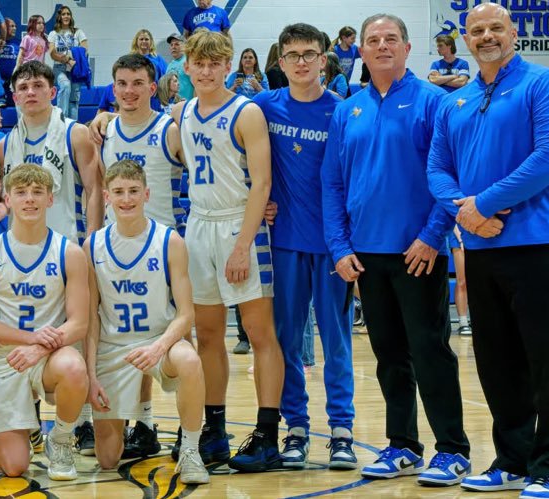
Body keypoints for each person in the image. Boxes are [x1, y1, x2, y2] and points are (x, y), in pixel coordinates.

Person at [428, 4, 549, 497]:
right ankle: (511, 460)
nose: (487, 36)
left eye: (496, 27)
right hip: (482, 246)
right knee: (497, 361)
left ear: (514, 33)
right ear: (466, 40)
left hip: (540, 243)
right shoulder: (456, 101)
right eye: (477, 30)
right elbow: (436, 166)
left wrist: (483, 204)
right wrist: (464, 211)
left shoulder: (547, 84)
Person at [322, 13, 470, 487]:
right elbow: (332, 183)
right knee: (388, 355)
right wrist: (340, 247)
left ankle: (453, 450)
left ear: (407, 48)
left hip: (419, 250)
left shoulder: (435, 102)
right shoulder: (348, 109)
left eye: (391, 39)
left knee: (430, 351)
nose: (381, 46)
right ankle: (402, 445)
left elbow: (450, 175)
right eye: (372, 40)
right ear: (360, 53)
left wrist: (432, 235)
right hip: (366, 254)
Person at [169, 29, 280, 471]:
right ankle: (213, 431)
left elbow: (263, 184)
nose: (208, 70)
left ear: (229, 64)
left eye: (217, 63)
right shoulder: (181, 112)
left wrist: (242, 246)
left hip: (240, 225)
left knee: (258, 334)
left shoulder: (246, 112)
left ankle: (267, 435)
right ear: (188, 67)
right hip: (198, 225)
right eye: (200, 63)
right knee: (208, 336)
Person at [252, 22, 356, 471]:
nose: (300, 62)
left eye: (308, 54)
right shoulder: (262, 107)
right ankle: (296, 428)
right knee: (287, 341)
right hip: (286, 244)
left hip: (333, 247)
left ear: (324, 58)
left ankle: (341, 431)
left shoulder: (344, 111)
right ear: (280, 60)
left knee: (336, 342)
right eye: (291, 54)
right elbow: (219, 135)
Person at [87, 159, 209, 483]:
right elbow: (90, 321)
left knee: (189, 360)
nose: (126, 199)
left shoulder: (169, 242)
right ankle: (135, 421)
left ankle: (191, 450)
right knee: (108, 459)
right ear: (107, 196)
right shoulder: (92, 245)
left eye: (133, 191)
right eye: (118, 192)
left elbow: (186, 314)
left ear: (147, 194)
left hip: (159, 340)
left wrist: (159, 347)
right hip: (113, 348)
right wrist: (90, 374)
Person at [0, 163, 90, 480]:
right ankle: (18, 426)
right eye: (21, 192)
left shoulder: (69, 252)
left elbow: (79, 323)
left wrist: (39, 348)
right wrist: (31, 341)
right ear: (7, 200)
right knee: (14, 467)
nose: (30, 200)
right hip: (6, 357)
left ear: (51, 200)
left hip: (51, 355)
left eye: (38, 192)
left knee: (73, 366)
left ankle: (62, 439)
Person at [0, 60, 103, 243]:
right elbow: (7, 202)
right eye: (23, 87)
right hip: (19, 247)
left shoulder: (76, 134)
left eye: (38, 85)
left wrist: (92, 243)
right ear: (15, 98)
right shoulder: (4, 145)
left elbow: (95, 190)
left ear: (53, 92)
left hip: (66, 246)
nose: (30, 92)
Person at [94, 54, 185, 231]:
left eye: (137, 83)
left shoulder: (169, 130)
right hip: (115, 241)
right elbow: (101, 191)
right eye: (122, 83)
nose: (128, 91)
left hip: (162, 240)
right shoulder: (104, 133)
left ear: (152, 89)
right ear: (114, 89)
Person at [47, 6, 87, 120]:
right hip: (59, 67)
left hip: (75, 68)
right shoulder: (53, 33)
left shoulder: (78, 32)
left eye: (68, 14)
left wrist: (73, 59)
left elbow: (84, 49)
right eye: (63, 14)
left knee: (74, 99)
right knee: (65, 86)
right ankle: (61, 120)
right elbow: (52, 53)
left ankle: (73, 126)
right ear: (59, 17)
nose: (66, 16)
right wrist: (66, 59)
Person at [166, 34, 192, 101]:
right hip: (174, 106)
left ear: (184, 46)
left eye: (177, 44)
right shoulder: (170, 65)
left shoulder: (189, 62)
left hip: (188, 105)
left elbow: (197, 86)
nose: (173, 47)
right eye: (171, 45)